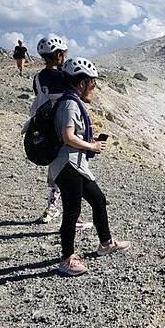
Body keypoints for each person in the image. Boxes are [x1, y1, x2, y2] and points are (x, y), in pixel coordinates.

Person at [51, 57, 130, 275]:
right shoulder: (69, 104)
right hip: (68, 165)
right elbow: (67, 137)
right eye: (92, 84)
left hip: (75, 165)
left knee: (98, 199)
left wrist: (88, 140)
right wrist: (92, 145)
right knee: (72, 211)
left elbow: (70, 134)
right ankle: (67, 259)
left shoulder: (71, 101)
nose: (93, 89)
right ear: (81, 83)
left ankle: (105, 244)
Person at [33, 35, 91, 231]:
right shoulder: (63, 78)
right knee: (71, 172)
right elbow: (78, 95)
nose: (65, 56)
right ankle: (72, 216)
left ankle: (52, 207)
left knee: (56, 171)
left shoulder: (38, 77)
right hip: (64, 128)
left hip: (46, 131)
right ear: (58, 55)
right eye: (64, 53)